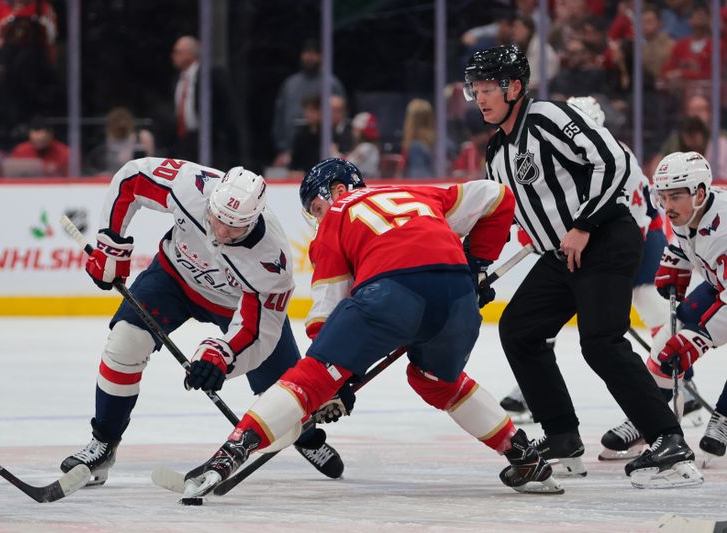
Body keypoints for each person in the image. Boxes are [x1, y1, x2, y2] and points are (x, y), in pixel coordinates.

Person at [181, 157, 566, 498]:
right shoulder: (420, 195)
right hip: (457, 300)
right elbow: (498, 197)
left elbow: (326, 315)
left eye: (316, 206)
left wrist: (336, 379)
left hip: (392, 292)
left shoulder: (335, 218)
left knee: (312, 376)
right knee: (436, 380)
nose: (318, 216)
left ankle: (230, 452)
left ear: (337, 190)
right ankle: (522, 455)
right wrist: (477, 266)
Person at [464, 44, 702, 488]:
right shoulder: (497, 152)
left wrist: (584, 224)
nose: (479, 97)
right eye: (474, 89)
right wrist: (477, 269)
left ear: (515, 87)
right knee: (519, 329)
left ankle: (669, 441)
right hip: (563, 255)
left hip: (607, 238)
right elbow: (502, 216)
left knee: (600, 342)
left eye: (487, 88)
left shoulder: (547, 118)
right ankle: (562, 438)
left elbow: (612, 162)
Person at [59, 157, 344, 486]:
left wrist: (221, 357)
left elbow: (254, 332)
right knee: (125, 342)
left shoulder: (272, 263)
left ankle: (305, 436)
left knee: (285, 391)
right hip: (173, 279)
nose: (221, 231)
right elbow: (132, 180)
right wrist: (112, 244)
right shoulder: (191, 186)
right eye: (217, 218)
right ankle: (103, 445)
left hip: (238, 305)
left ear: (253, 220)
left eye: (234, 226)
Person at [498, 96, 704, 456]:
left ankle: (670, 398)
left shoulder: (608, 157)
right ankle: (559, 420)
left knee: (615, 335)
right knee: (529, 328)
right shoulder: (523, 150)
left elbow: (630, 211)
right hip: (585, 248)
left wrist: (600, 255)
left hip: (629, 243)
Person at [642, 151, 727, 468]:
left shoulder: (725, 228)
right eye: (662, 195)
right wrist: (674, 264)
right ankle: (649, 417)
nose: (667, 204)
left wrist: (701, 340)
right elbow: (684, 242)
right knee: (670, 338)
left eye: (675, 195)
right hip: (721, 283)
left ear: (700, 193)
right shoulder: (687, 211)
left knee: (691, 336)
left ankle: (725, 417)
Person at [271, 39, 346, 167]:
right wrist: (282, 148)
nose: (310, 57)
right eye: (307, 53)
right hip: (291, 150)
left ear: (321, 56)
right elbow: (280, 116)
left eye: (314, 53)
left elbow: (341, 116)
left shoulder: (330, 84)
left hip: (322, 149)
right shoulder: (290, 84)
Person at [169, 36, 239, 170]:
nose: (173, 56)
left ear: (189, 54)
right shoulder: (178, 79)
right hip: (184, 140)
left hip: (209, 141)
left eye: (177, 52)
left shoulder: (211, 74)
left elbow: (227, 107)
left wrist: (220, 134)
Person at [85, 107, 156, 176]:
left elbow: (150, 163)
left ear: (130, 123)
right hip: (112, 177)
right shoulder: (107, 139)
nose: (121, 126)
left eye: (123, 124)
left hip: (137, 177)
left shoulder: (142, 137)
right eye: (117, 125)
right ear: (110, 126)